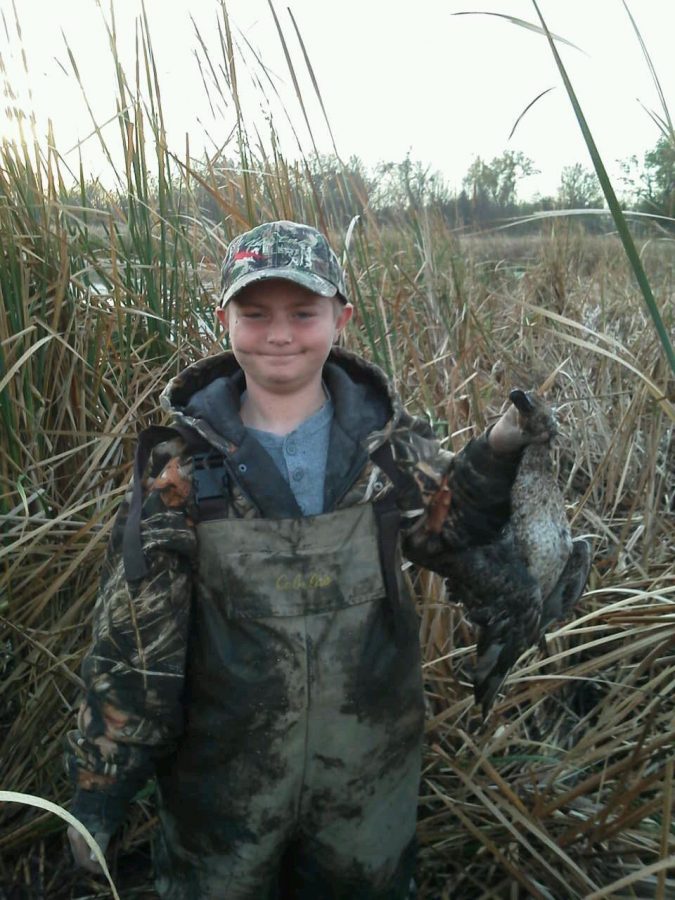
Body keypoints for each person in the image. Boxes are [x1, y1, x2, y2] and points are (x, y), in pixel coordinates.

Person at [67, 220, 539, 899]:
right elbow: (134, 648)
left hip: (367, 776)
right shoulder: (181, 470)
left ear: (340, 318)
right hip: (224, 782)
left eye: (303, 313)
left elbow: (450, 529)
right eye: (254, 314)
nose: (280, 334)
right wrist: (97, 794)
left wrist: (498, 448)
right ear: (223, 318)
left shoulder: (386, 448)